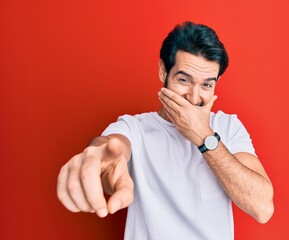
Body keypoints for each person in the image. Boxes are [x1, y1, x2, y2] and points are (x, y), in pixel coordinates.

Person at [57, 21, 274, 239]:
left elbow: (263, 209)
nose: (194, 96)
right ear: (163, 71)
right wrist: (97, 159)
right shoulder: (134, 128)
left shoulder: (229, 127)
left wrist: (204, 137)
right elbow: (111, 147)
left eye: (207, 85)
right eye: (184, 80)